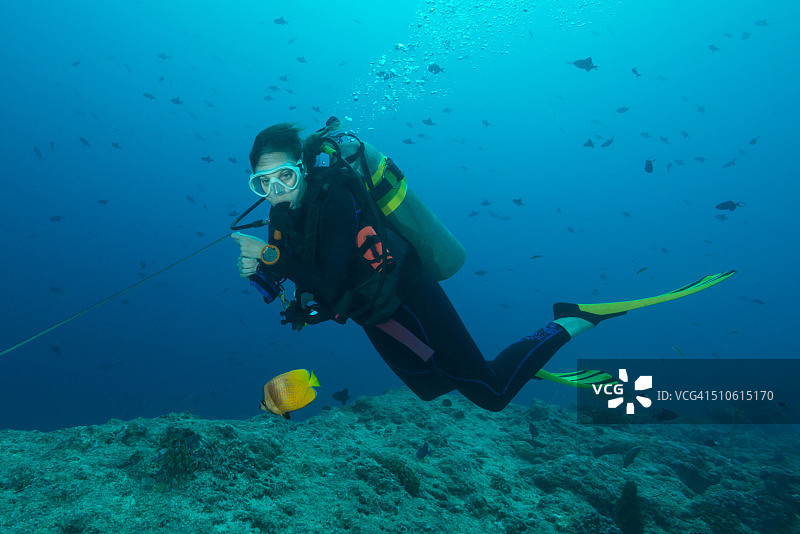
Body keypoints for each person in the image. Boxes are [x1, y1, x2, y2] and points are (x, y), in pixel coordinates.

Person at [231, 119, 735, 412]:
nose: (276, 191)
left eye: (284, 176)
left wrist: (272, 257)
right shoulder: (281, 215)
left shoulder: (335, 194)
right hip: (371, 313)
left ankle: (573, 318)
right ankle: (496, 364)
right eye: (263, 183)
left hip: (406, 293)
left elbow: (330, 275)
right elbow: (291, 280)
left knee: (490, 396)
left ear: (303, 166)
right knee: (433, 387)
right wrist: (261, 275)